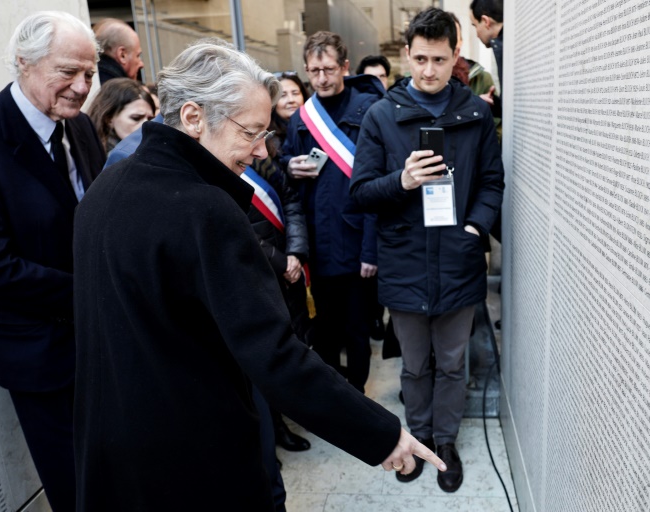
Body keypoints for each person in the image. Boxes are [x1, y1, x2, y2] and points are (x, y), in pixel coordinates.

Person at [72, 40, 444, 511]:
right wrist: (383, 435)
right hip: (193, 460)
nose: (260, 150)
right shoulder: (205, 208)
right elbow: (275, 354)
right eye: (250, 132)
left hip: (110, 455)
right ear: (192, 117)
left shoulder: (104, 189)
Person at [350, 7, 504, 493]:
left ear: (456, 53)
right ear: (407, 55)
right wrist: (403, 180)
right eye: (420, 59)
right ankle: (416, 438)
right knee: (415, 365)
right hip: (405, 259)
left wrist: (476, 230)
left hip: (458, 257)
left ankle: (446, 441)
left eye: (439, 59)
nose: (429, 70)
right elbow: (361, 193)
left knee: (453, 363)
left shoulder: (476, 113)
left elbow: (492, 182)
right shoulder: (381, 115)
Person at [0, 11, 105, 512]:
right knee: (78, 490)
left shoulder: (79, 127)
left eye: (90, 72)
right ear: (23, 63)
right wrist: (94, 289)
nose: (82, 87)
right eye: (68, 71)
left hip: (101, 341)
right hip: (38, 353)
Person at [281, 31, 384, 393]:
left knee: (357, 329)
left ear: (344, 67)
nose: (321, 79)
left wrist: (371, 250)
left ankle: (357, 395)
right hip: (317, 243)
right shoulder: (301, 118)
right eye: (314, 71)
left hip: (356, 243)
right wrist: (289, 166)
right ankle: (332, 398)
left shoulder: (370, 110)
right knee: (323, 329)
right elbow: (285, 169)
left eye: (328, 69)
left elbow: (377, 188)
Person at [87, 77, 155, 153]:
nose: (146, 125)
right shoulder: (101, 156)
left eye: (151, 119)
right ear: (109, 119)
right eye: (136, 118)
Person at [93, 18, 144, 83]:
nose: (141, 64)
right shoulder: (120, 91)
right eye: (137, 56)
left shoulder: (94, 81)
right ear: (122, 55)